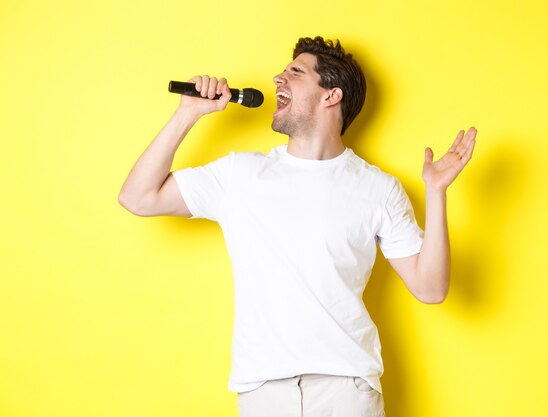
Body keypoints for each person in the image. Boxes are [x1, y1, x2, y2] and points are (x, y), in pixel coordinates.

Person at [118, 36, 476, 417]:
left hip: (347, 389)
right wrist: (187, 112)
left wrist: (436, 192)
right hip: (263, 392)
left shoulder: (377, 188)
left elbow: (431, 288)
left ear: (330, 96)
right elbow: (137, 197)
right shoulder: (240, 174)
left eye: (295, 72)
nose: (277, 78)